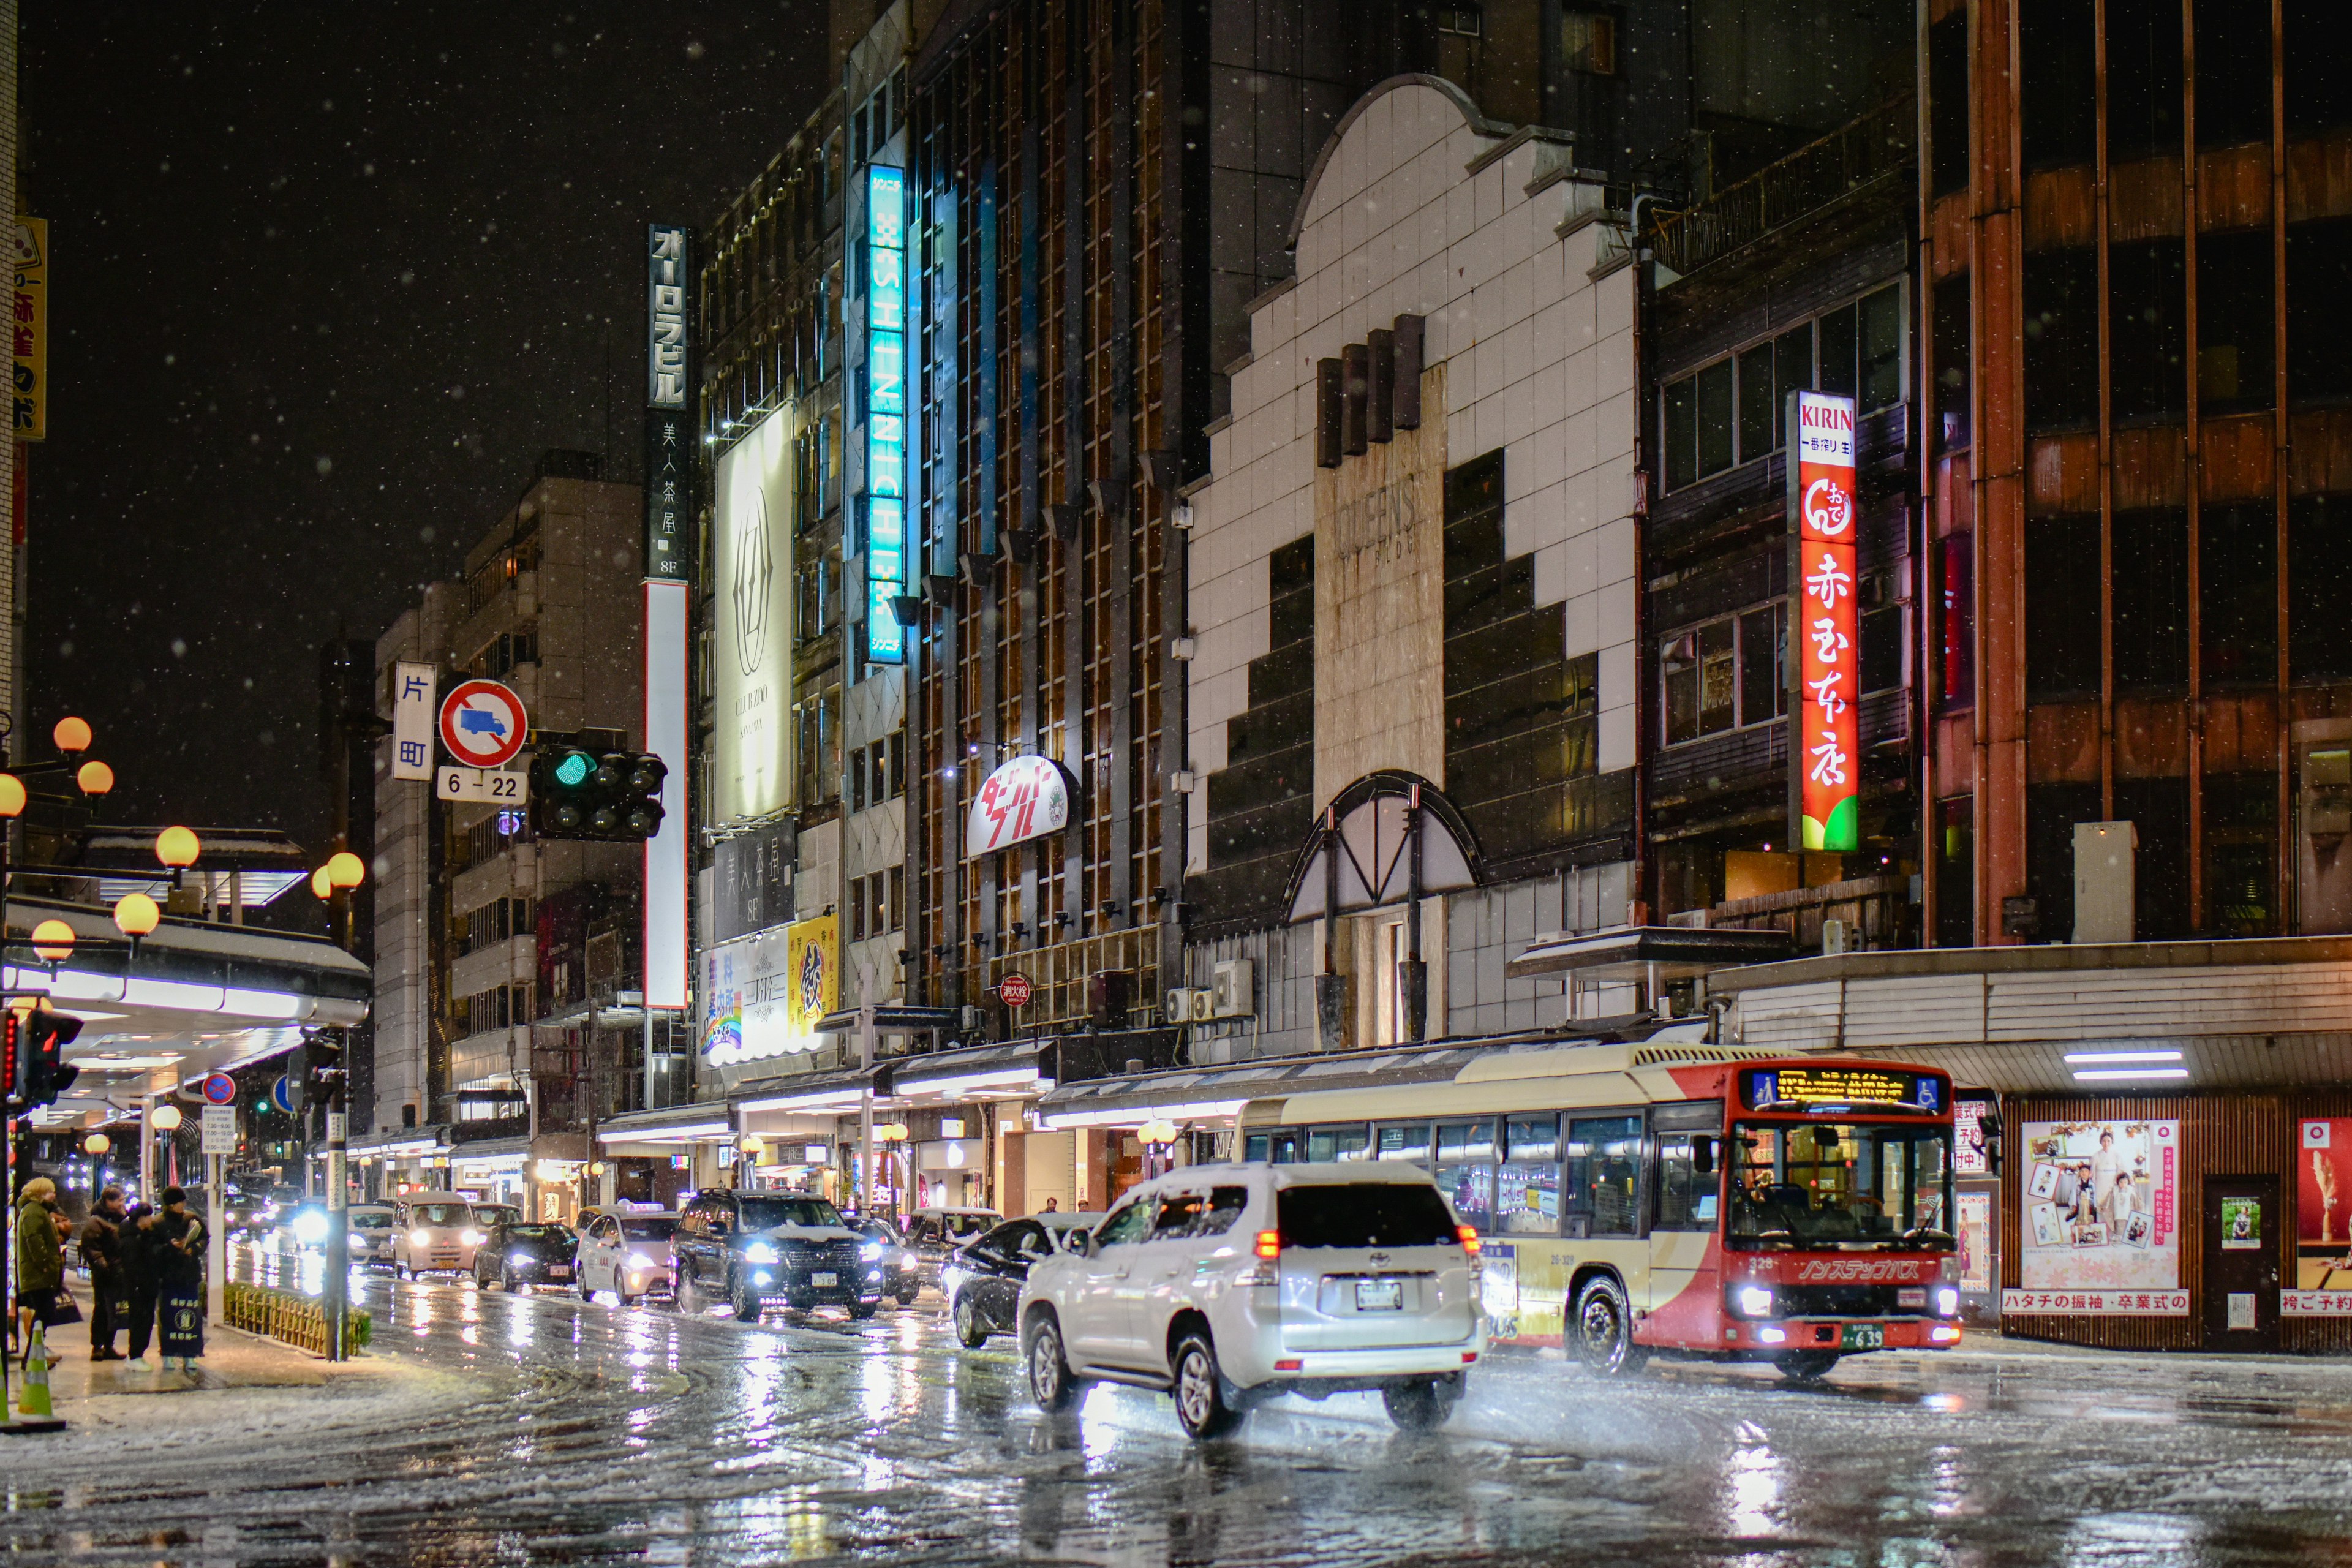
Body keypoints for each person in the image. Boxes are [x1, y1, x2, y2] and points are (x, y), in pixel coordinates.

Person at [153, 1186, 208, 1372]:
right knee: (168, 1316)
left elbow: (204, 1239)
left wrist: (194, 1249)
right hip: (168, 1278)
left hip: (190, 1276)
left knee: (192, 1316)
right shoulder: (158, 1223)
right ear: (170, 1205)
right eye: (180, 1202)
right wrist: (170, 1247)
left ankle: (190, 1355)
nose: (183, 1206)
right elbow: (153, 1250)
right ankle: (168, 1353)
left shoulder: (192, 1219)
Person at [13, 1175, 66, 1367]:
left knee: (44, 1314)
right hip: (38, 1274)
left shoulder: (36, 1211)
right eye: (51, 1191)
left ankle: (34, 1356)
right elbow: (34, 1239)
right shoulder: (34, 1212)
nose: (54, 1195)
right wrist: (45, 1264)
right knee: (44, 1313)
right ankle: (32, 1358)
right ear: (41, 1193)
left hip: (39, 1274)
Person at [79, 1186, 128, 1362]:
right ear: (109, 1201)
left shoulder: (123, 1219)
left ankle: (109, 1346)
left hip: (119, 1273)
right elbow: (91, 1248)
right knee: (102, 1310)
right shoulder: (97, 1222)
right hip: (105, 1275)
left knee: (114, 1310)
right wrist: (104, 1266)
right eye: (120, 1200)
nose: (123, 1204)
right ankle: (97, 1346)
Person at [121, 1199, 162, 1371]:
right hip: (139, 1289)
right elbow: (133, 1266)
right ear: (141, 1219)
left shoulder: (144, 1236)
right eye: (149, 1217)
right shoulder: (132, 1240)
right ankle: (135, 1355)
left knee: (145, 1321)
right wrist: (140, 1285)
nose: (151, 1220)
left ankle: (138, 1355)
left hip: (145, 1287)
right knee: (140, 1321)